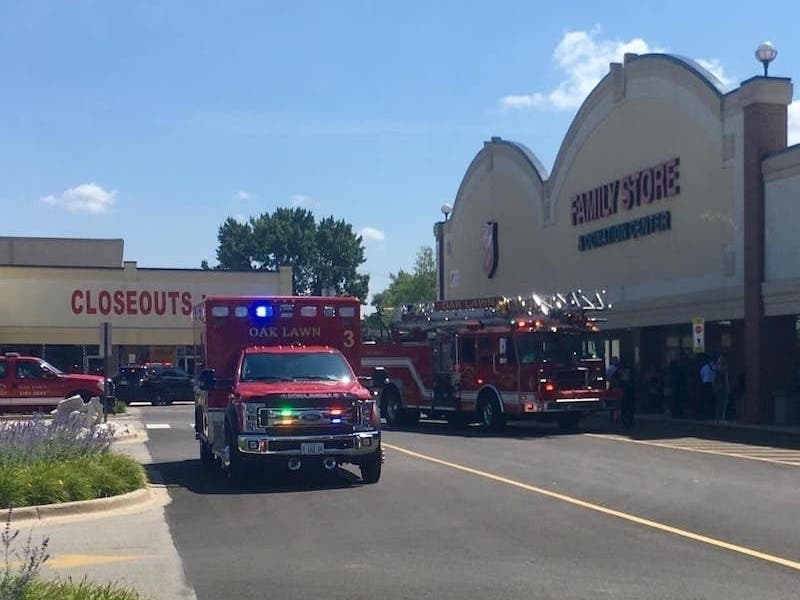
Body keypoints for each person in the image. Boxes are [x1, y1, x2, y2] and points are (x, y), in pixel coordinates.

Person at [699, 355, 717, 419]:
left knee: (706, 399)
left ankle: (706, 413)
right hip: (712, 384)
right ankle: (711, 413)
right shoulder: (715, 366)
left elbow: (701, 374)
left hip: (705, 384)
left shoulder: (705, 366)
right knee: (712, 399)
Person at [714, 354, 730, 422]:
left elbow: (714, 380)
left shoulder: (717, 370)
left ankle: (717, 418)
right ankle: (722, 418)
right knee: (723, 403)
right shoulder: (725, 370)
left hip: (718, 388)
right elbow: (726, 380)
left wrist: (715, 387)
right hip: (723, 388)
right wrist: (728, 388)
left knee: (718, 403)